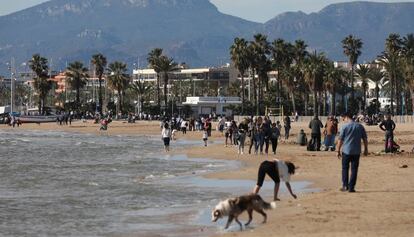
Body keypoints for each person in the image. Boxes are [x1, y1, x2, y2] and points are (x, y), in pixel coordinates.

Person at [337, 112, 368, 193]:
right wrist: (366, 149)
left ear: (347, 117)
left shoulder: (344, 127)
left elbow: (340, 140)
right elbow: (365, 139)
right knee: (354, 170)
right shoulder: (360, 126)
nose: (343, 120)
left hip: (346, 151)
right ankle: (351, 187)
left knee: (345, 169)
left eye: (343, 118)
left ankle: (345, 186)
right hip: (356, 151)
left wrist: (338, 150)